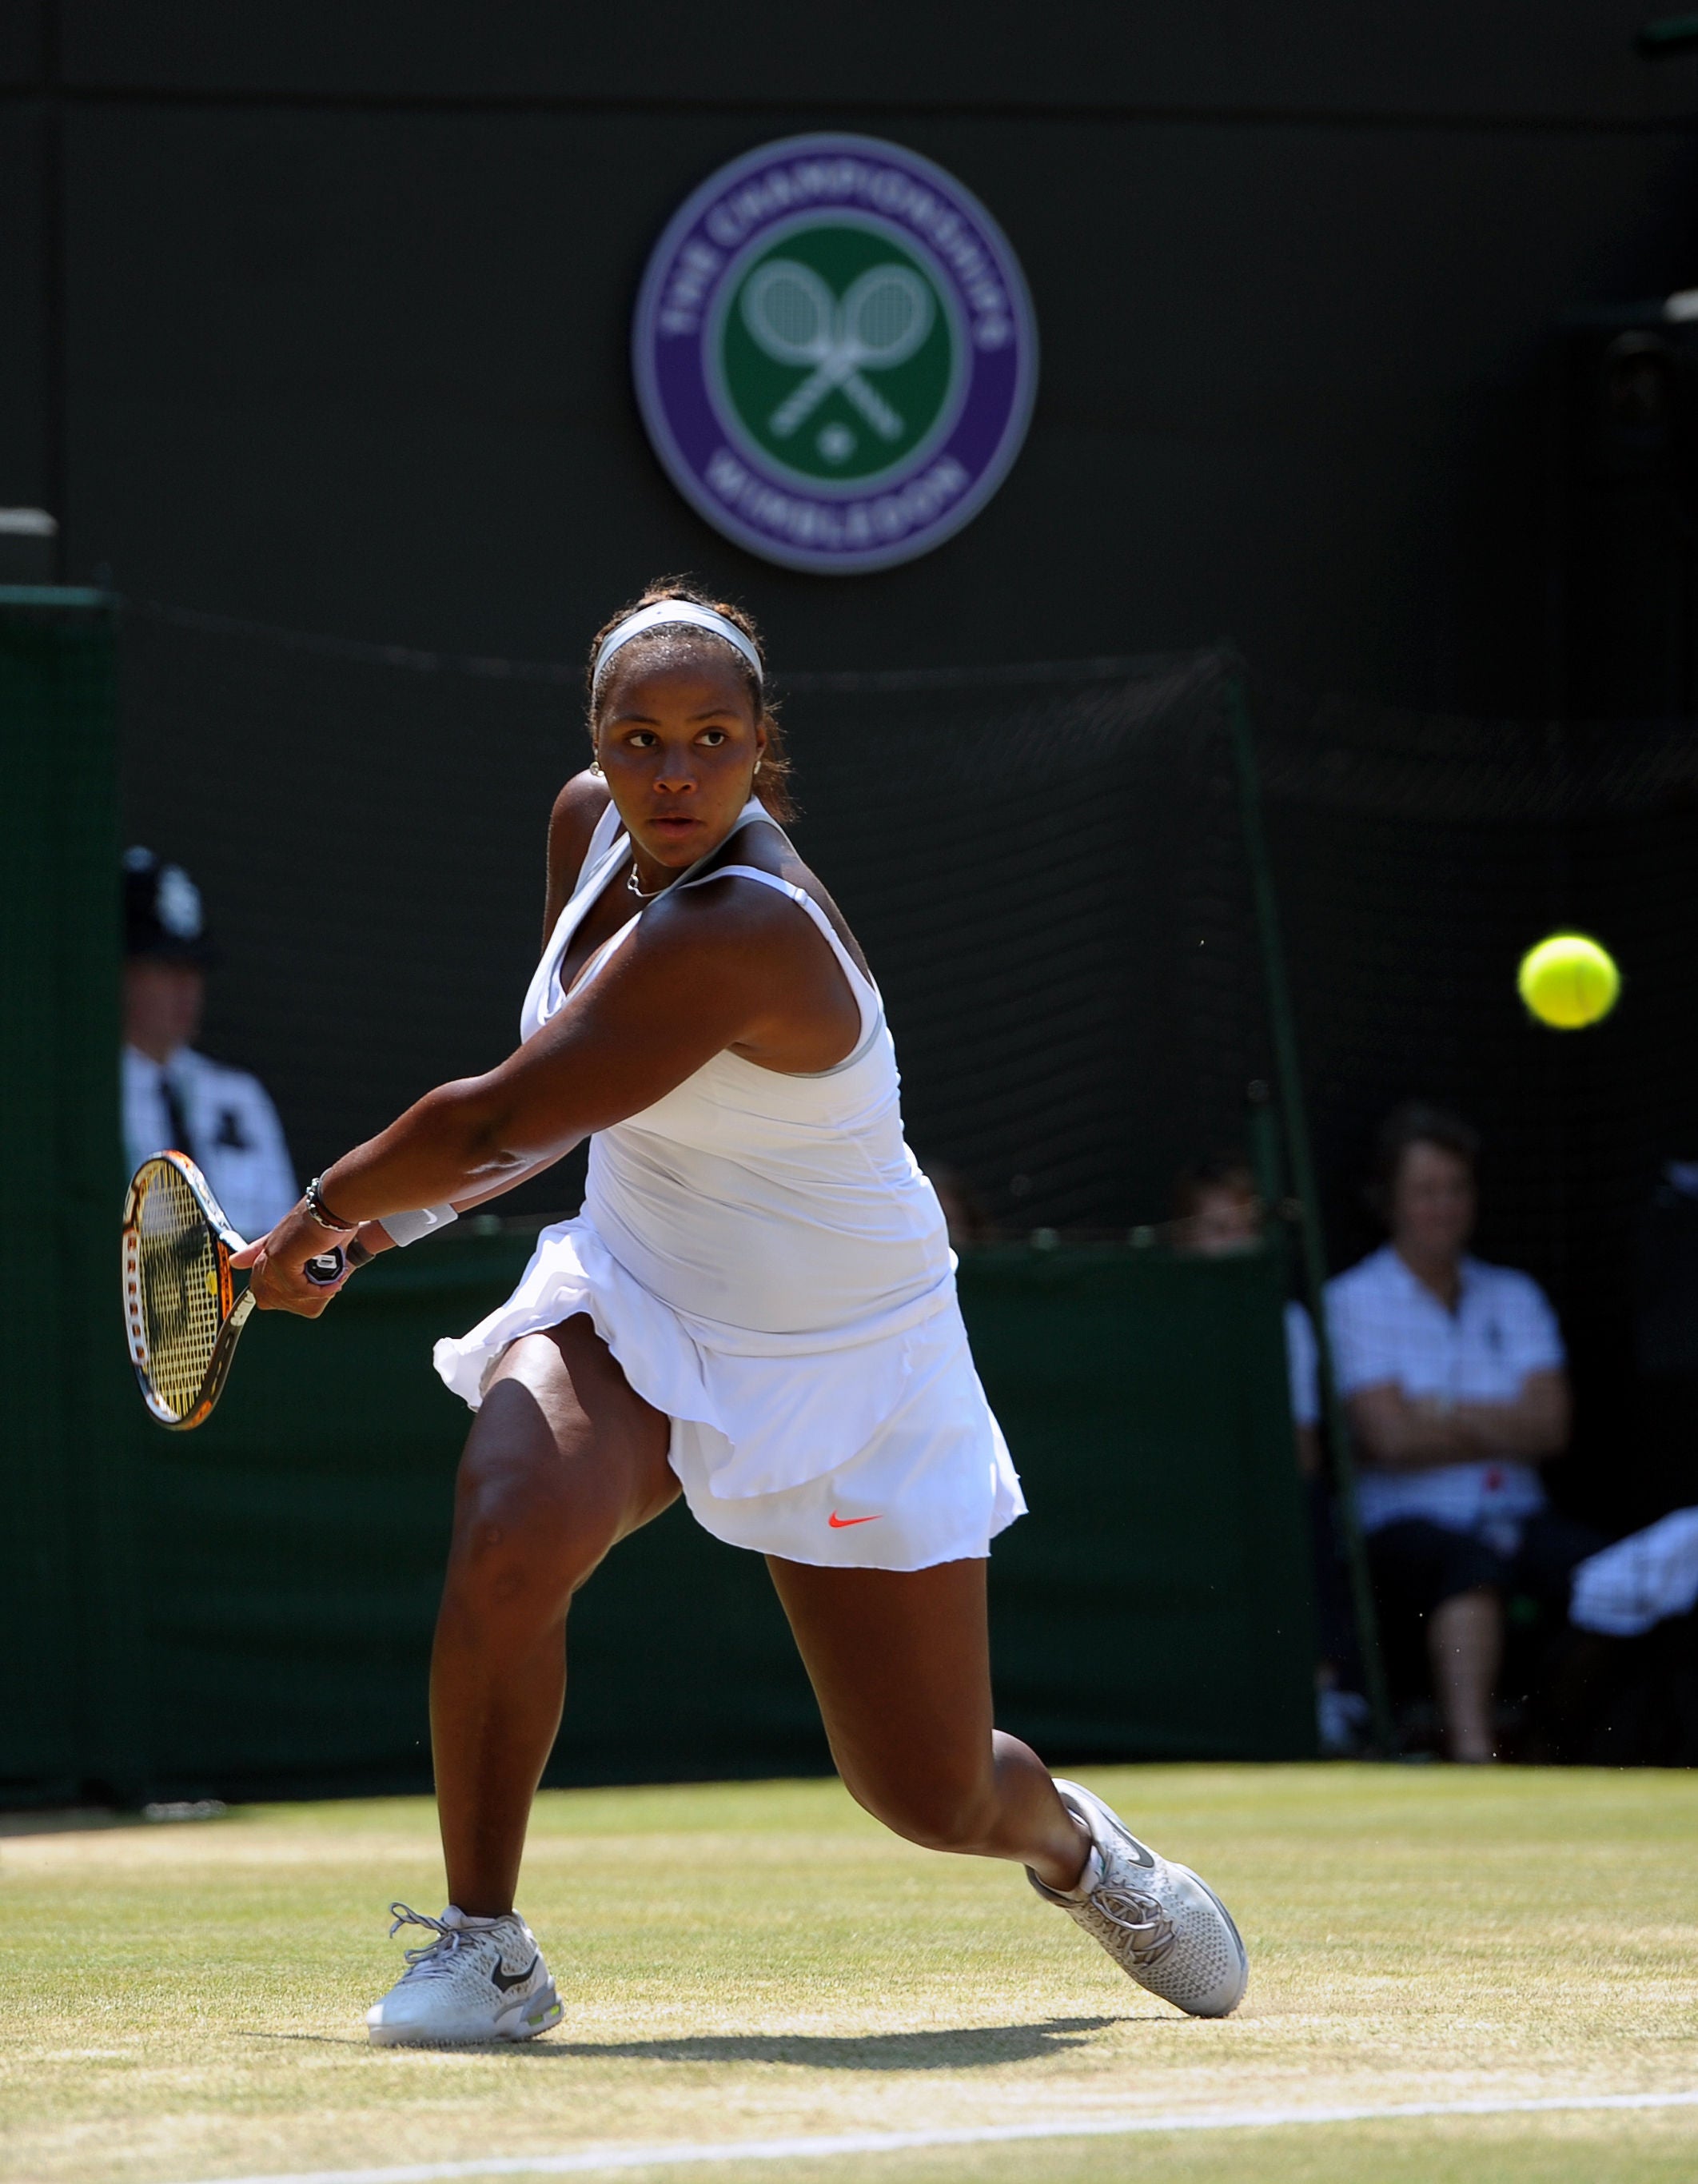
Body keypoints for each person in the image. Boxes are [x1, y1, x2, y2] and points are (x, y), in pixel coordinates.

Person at [234, 583, 1249, 2046]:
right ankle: (485, 1946)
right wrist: (372, 1228)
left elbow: (496, 1114)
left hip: (848, 1354)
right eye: (639, 738)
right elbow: (562, 1105)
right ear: (595, 738)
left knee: (927, 1789)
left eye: (712, 739)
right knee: (511, 1522)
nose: (670, 773)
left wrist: (328, 1216)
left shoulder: (744, 930)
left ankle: (1076, 1850)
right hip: (642, 1288)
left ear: (762, 748)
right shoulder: (585, 826)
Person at [1326, 1102, 1596, 1764]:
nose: (1443, 1206)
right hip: (1406, 1529)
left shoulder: (1516, 1294)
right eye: (1425, 1191)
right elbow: (1390, 1439)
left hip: (1522, 1517)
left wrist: (1441, 1414)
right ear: (1389, 1201)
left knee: (1610, 1580)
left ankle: (1570, 1745)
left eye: (1456, 1188)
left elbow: (1554, 1424)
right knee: (1468, 1570)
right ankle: (1476, 1761)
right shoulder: (1354, 1299)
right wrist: (1504, 1421)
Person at [1171, 1158, 1369, 1755]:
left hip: (1266, 1513)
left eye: (1244, 1227)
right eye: (1217, 1229)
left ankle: (1324, 1693)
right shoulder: (1164, 1321)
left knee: (1310, 1513)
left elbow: (1305, 1454)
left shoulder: (1288, 1323)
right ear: (1186, 1242)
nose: (1234, 1243)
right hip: (1186, 1508)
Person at [122, 847, 297, 1242]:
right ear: (122, 971)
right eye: (166, 967)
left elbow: (281, 1234)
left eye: (193, 969)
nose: (186, 988)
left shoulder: (240, 1096)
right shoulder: (82, 1102)